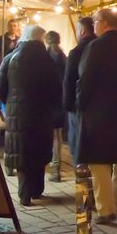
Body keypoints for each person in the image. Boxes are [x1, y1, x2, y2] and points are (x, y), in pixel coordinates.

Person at [76, 8, 117, 224]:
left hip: (99, 112)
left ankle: (106, 210)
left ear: (104, 23)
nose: (94, 25)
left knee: (99, 162)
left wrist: (80, 104)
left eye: (95, 21)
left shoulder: (95, 47)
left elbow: (85, 79)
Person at [0, 27, 62, 206]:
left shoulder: (11, 58)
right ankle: (37, 190)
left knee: (22, 152)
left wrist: (9, 102)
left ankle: (24, 194)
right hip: (42, 114)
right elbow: (56, 88)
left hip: (18, 114)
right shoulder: (48, 60)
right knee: (38, 151)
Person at [63, 16, 96, 165]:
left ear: (82, 31)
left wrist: (68, 104)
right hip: (98, 105)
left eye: (77, 30)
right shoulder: (100, 47)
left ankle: (83, 178)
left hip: (78, 104)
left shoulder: (76, 52)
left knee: (78, 142)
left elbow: (69, 80)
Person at [44, 31, 68, 182]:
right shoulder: (64, 58)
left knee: (46, 135)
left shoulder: (43, 58)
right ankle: (56, 168)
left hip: (46, 102)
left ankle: (46, 164)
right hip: (60, 101)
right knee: (57, 136)